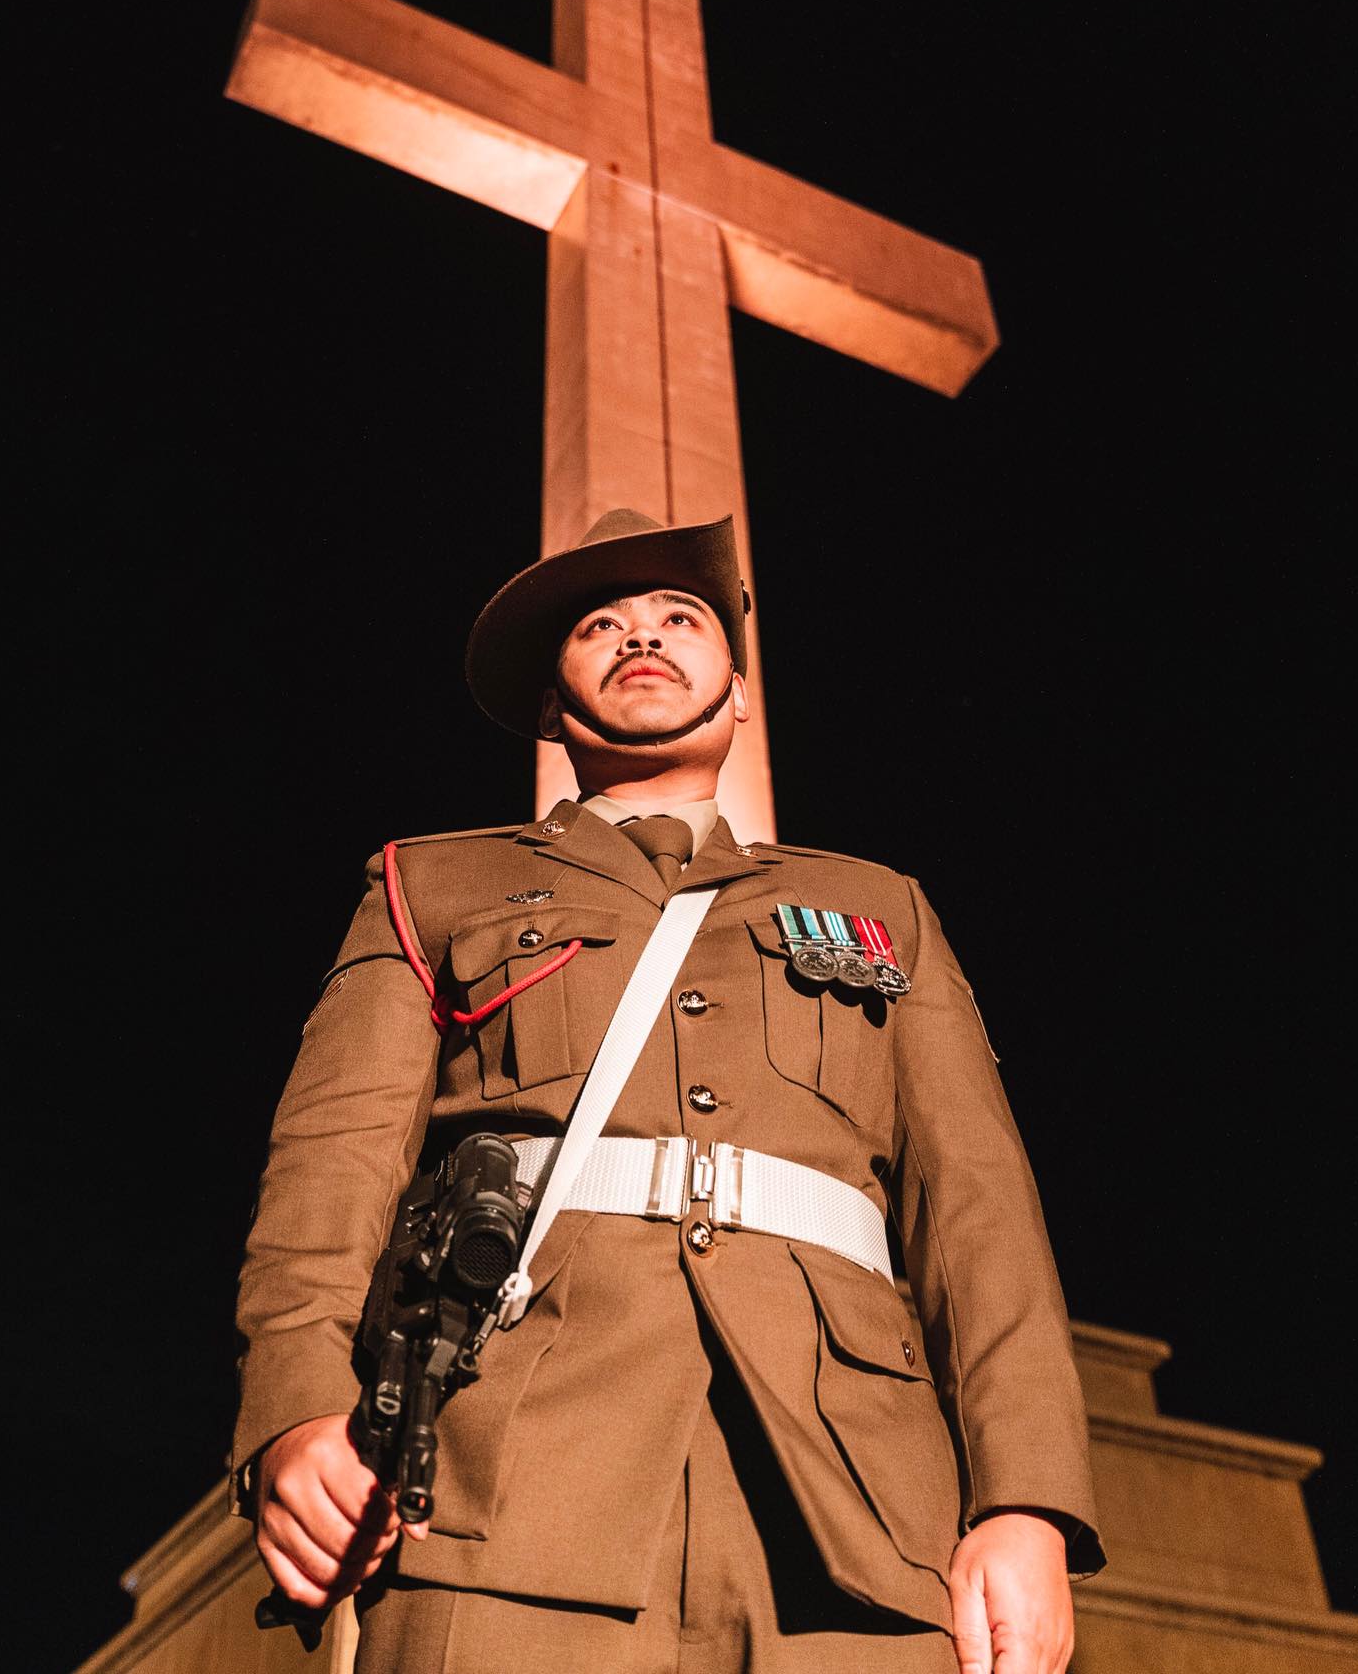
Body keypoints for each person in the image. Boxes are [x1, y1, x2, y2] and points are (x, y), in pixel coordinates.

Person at [232, 509, 1104, 1673]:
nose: (642, 636)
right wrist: (293, 1407)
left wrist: (1026, 1503)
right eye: (602, 625)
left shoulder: (878, 906)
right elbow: (330, 1168)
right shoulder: (434, 883)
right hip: (507, 1498)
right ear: (554, 703)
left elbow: (979, 1215)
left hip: (854, 1520)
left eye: (678, 617)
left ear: (739, 693)